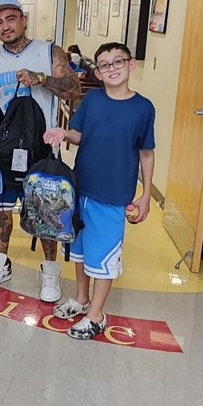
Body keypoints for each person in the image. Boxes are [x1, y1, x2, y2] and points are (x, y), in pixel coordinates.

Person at [0, 0, 82, 303]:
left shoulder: (48, 52)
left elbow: (74, 89)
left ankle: (51, 271)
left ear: (24, 20)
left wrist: (41, 78)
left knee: (47, 211)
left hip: (41, 147)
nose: (5, 26)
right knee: (1, 211)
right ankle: (0, 265)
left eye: (10, 19)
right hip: (1, 150)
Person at [43, 41, 155, 339]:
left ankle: (97, 314)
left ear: (131, 65)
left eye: (118, 62)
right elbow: (78, 135)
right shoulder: (92, 100)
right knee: (80, 251)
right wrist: (63, 133)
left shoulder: (143, 108)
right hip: (82, 189)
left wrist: (146, 195)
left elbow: (146, 152)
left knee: (104, 257)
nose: (112, 69)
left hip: (113, 195)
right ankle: (82, 299)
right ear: (98, 72)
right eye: (104, 65)